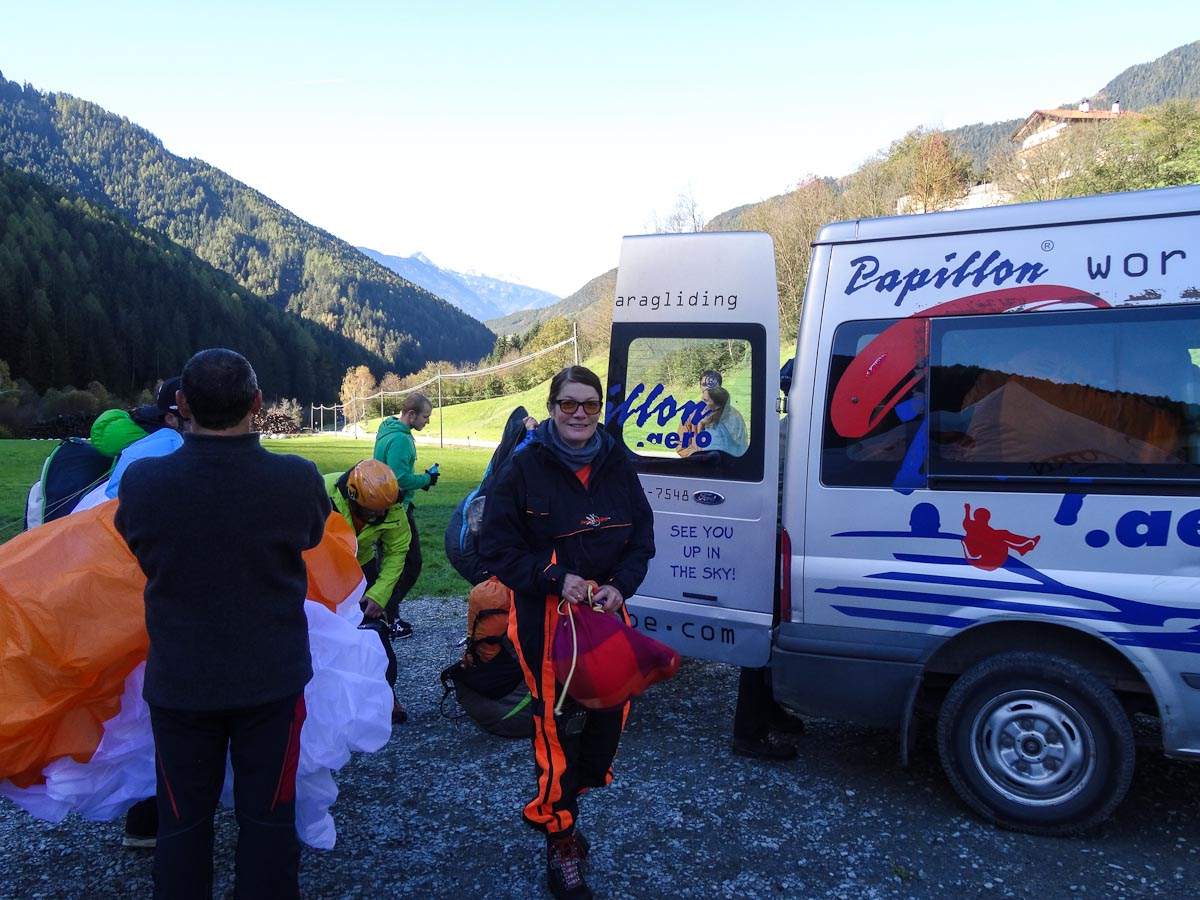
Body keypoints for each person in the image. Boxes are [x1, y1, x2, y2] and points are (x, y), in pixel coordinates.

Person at [114, 349, 330, 899]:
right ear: (257, 404)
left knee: (182, 824)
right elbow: (312, 535)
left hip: (181, 682)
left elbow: (135, 540)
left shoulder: (144, 483)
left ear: (181, 404)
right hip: (272, 682)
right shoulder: (297, 479)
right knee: (268, 819)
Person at [479, 365, 655, 900]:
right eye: (568, 404)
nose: (579, 414)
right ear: (552, 407)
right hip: (546, 616)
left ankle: (575, 789)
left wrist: (621, 586)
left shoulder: (617, 462)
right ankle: (559, 833)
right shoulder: (524, 467)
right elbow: (497, 549)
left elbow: (642, 541)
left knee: (611, 711)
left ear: (600, 409)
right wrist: (556, 578)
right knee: (553, 722)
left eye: (590, 404)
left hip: (605, 615)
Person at [326, 458, 412, 724]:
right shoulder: (320, 493)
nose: (380, 516)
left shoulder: (392, 504)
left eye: (384, 510)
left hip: (360, 565)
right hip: (320, 567)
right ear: (352, 497)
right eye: (371, 512)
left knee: (375, 631)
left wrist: (379, 594)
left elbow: (397, 550)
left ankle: (387, 694)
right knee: (325, 633)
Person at [372, 392, 439, 637]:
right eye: (425, 416)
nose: (427, 421)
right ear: (411, 415)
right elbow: (398, 479)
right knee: (410, 565)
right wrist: (426, 479)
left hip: (383, 507)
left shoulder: (387, 430)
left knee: (388, 564)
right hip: (396, 509)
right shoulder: (401, 439)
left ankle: (386, 614)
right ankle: (387, 615)